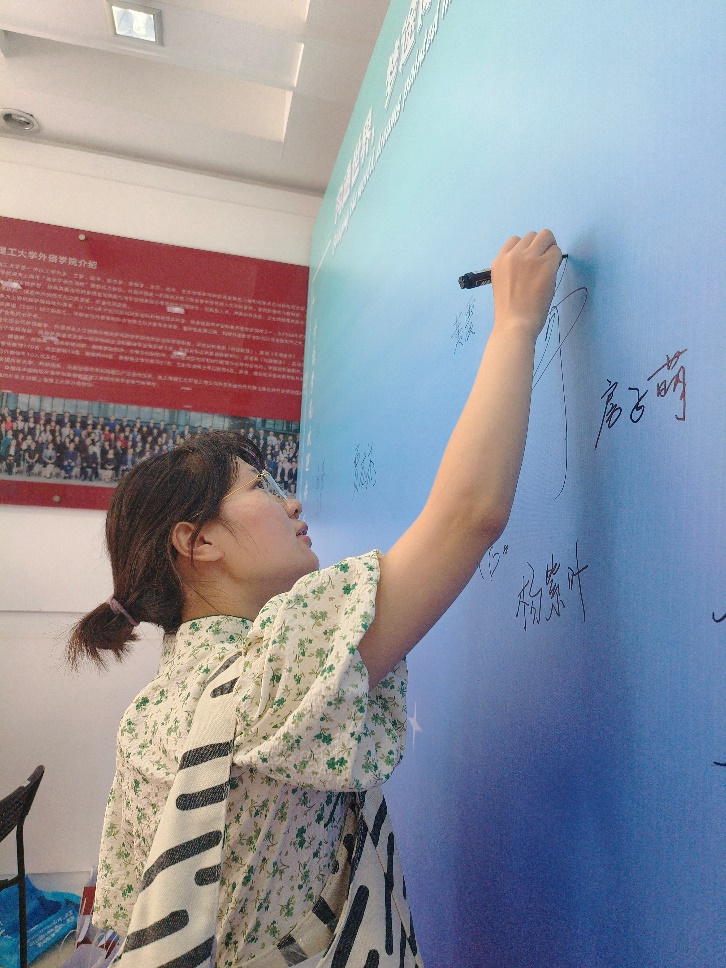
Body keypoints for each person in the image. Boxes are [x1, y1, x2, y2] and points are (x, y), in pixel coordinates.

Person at [68, 232, 561, 968]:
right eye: (261, 488)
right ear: (197, 542)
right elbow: (468, 517)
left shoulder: (163, 702)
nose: (292, 503)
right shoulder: (268, 671)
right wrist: (516, 321)